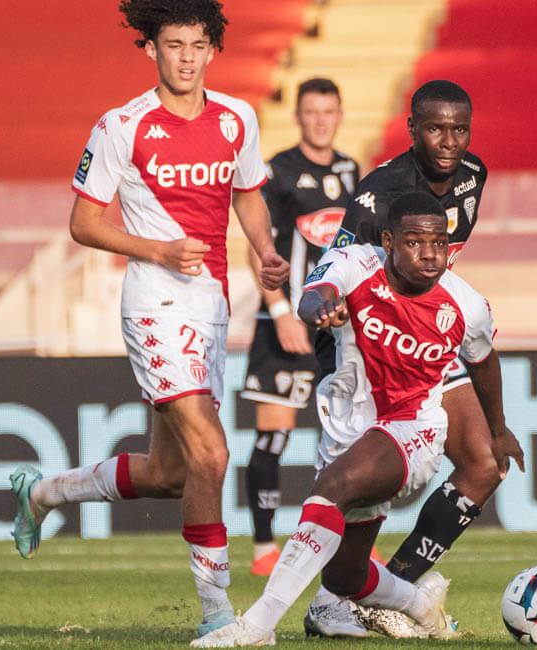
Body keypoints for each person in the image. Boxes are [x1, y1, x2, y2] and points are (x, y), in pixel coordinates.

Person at [8, 0, 288, 639]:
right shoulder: (121, 125)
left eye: (197, 45)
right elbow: (83, 223)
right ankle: (217, 615)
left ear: (213, 50)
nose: (186, 58)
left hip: (212, 307)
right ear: (151, 49)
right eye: (174, 45)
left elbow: (247, 195)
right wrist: (157, 250)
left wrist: (266, 250)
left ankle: (43, 494)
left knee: (171, 473)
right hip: (153, 306)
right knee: (213, 451)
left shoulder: (238, 118)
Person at [192, 191, 511, 647]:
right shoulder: (354, 262)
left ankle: (257, 627)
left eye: (439, 243)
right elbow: (312, 296)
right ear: (388, 241)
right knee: (345, 577)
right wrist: (320, 308)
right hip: (346, 432)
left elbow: (483, 362)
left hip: (412, 431)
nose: (430, 254)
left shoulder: (466, 305)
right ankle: (421, 606)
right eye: (415, 242)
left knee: (333, 488)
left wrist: (498, 430)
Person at [303, 79, 524, 638]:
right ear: (412, 130)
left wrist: (500, 425)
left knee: (485, 464)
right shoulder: (379, 194)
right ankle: (336, 599)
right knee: (362, 488)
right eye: (435, 129)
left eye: (459, 129)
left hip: (429, 337)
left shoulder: (473, 175)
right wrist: (328, 323)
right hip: (371, 349)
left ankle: (383, 593)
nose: (448, 141)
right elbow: (333, 273)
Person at [238, 77, 359, 577]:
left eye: (328, 111)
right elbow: (257, 246)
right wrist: (280, 310)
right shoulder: (279, 171)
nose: (320, 121)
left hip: (335, 325)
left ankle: (348, 544)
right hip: (284, 322)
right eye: (311, 112)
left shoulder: (351, 171)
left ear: (340, 115)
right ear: (298, 117)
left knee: (348, 439)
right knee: (274, 434)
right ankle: (264, 547)